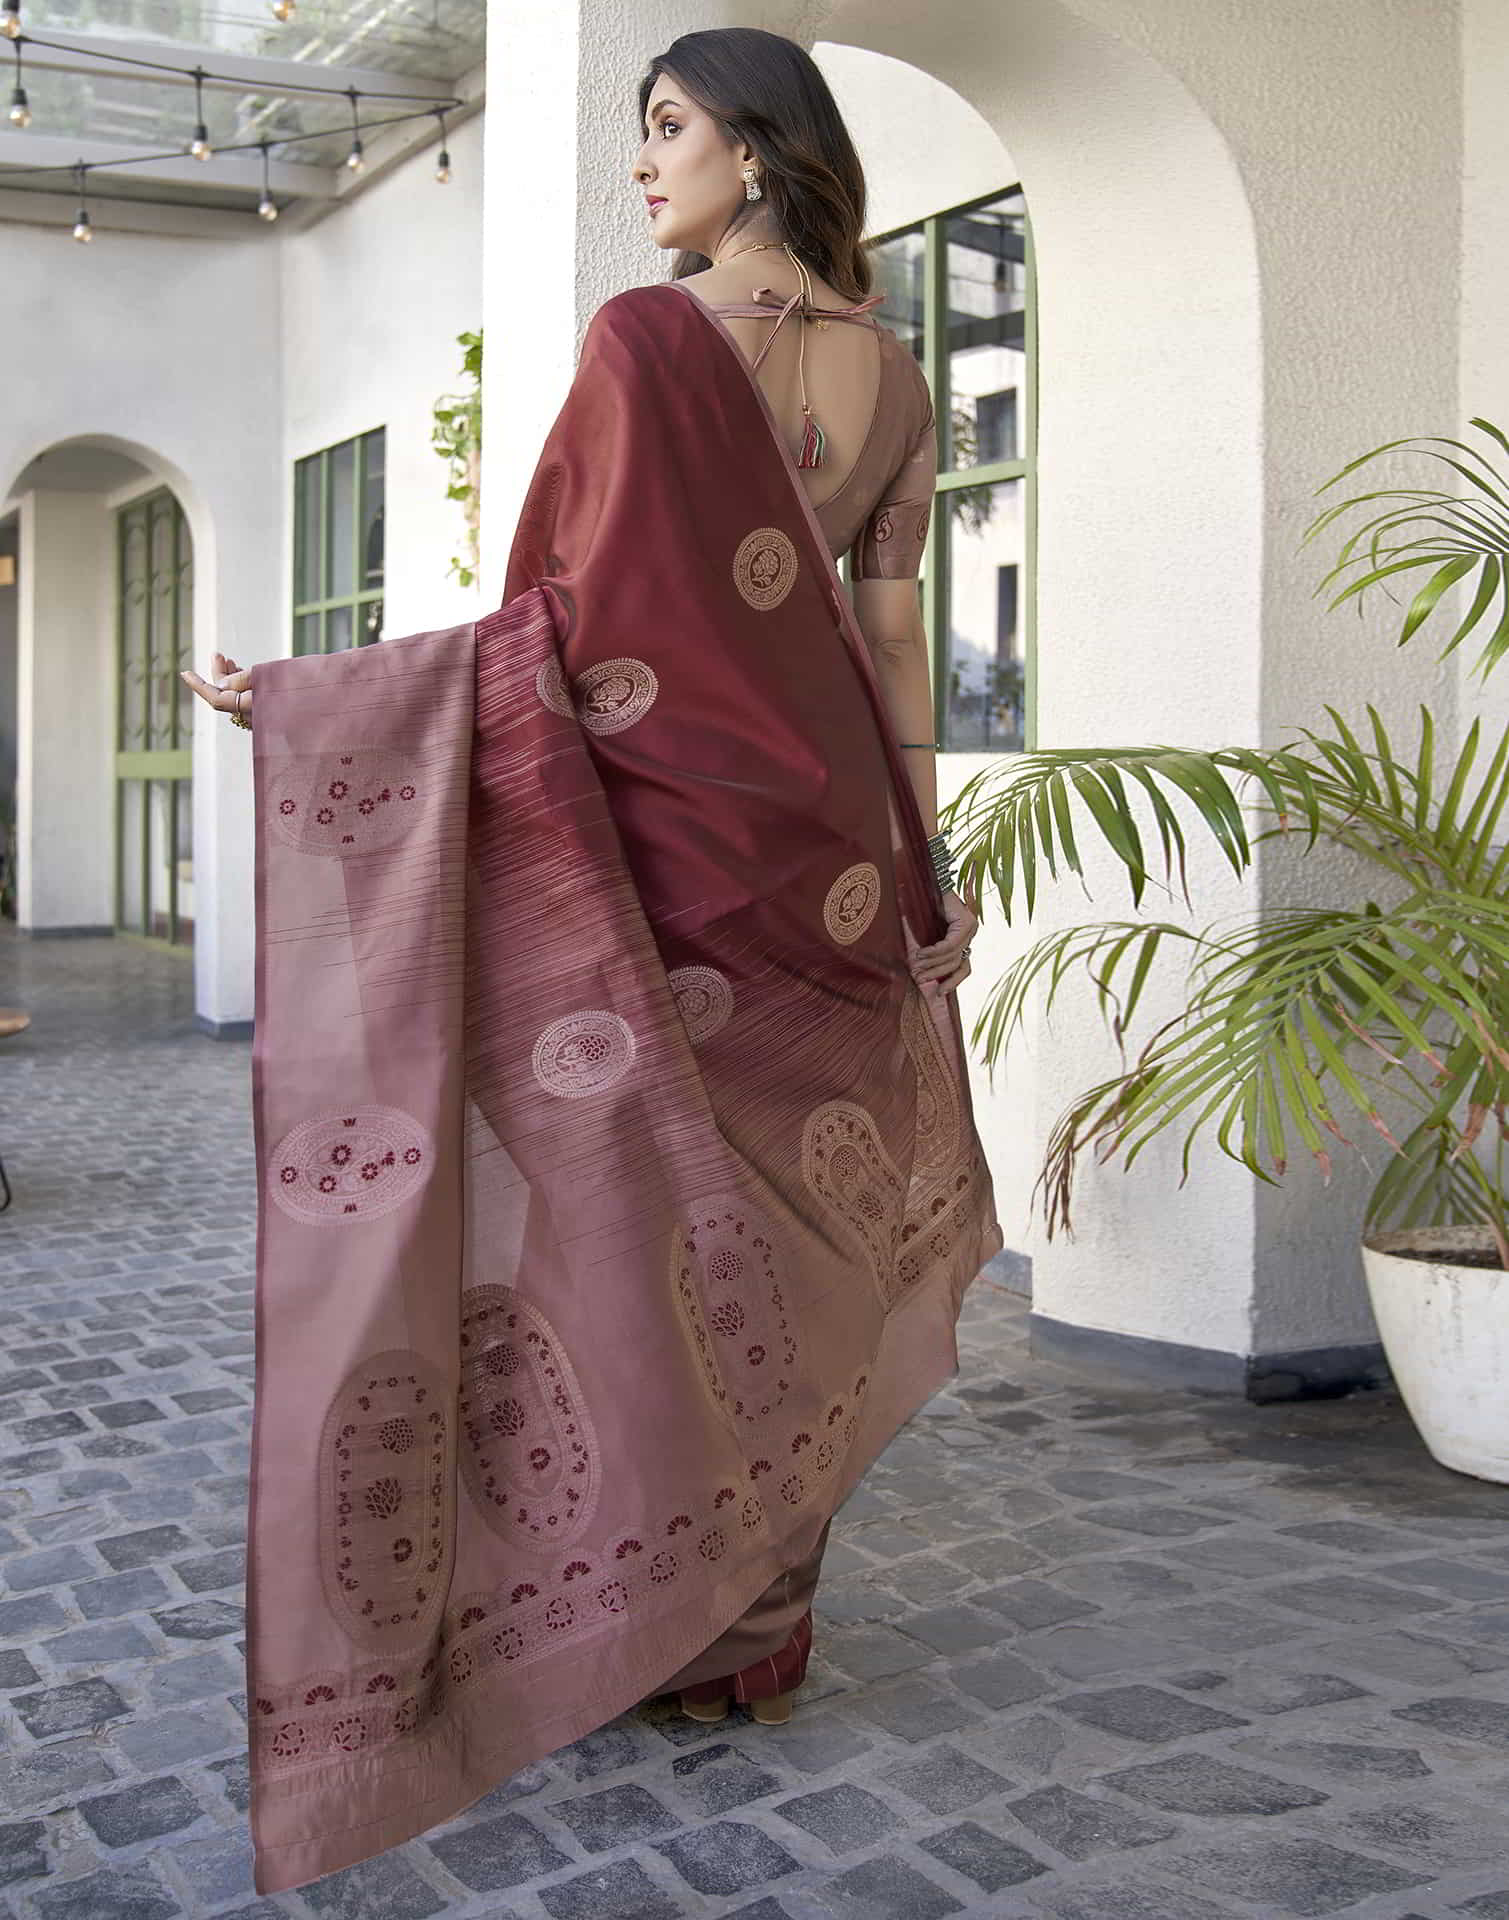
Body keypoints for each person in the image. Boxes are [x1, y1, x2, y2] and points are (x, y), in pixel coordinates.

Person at [185, 26, 1002, 1896]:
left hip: (658, 859)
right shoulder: (896, 380)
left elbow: (555, 625)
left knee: (643, 1229)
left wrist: (309, 707)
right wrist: (923, 868)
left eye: (669, 131)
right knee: (793, 1232)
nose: (648, 169)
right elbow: (889, 661)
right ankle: (761, 1628)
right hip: (830, 883)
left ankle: (674, 1617)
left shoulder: (648, 346)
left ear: (759, 150)